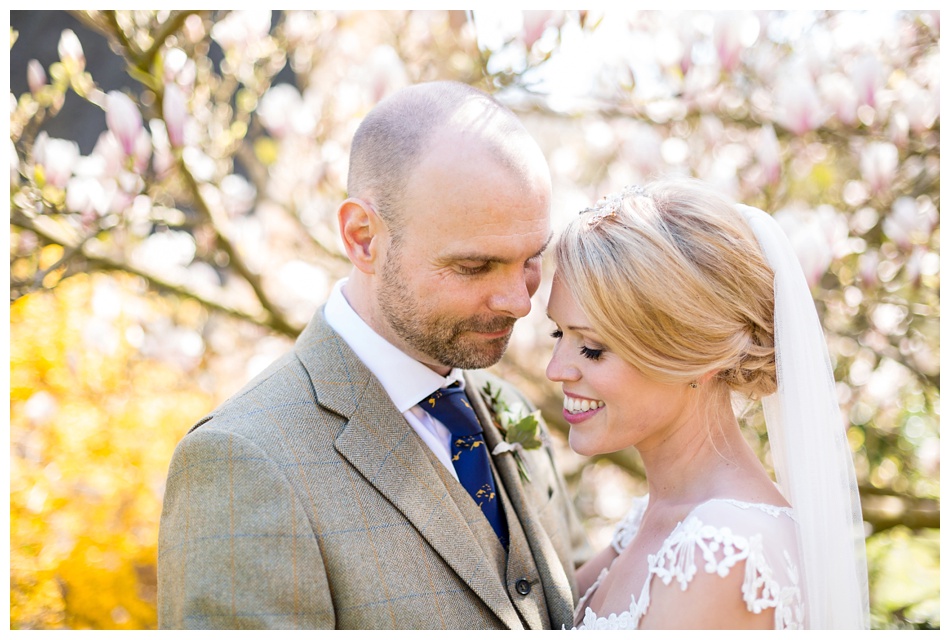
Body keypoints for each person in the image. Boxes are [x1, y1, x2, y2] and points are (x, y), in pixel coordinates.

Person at [157, 80, 590, 629]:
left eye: (531, 257)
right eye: (474, 267)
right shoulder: (242, 461)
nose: (518, 301)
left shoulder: (513, 410)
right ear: (363, 238)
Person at [545, 178, 869, 629]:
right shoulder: (652, 518)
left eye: (593, 349)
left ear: (694, 356)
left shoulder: (721, 552)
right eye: (558, 334)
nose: (555, 370)